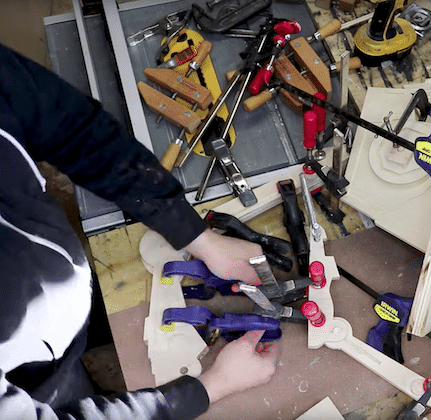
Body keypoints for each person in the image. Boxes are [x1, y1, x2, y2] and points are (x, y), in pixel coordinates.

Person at [0, 41, 279, 419]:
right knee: (66, 395)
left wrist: (200, 238)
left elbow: (79, 133)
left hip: (55, 292)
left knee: (86, 354)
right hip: (30, 380)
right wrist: (213, 387)